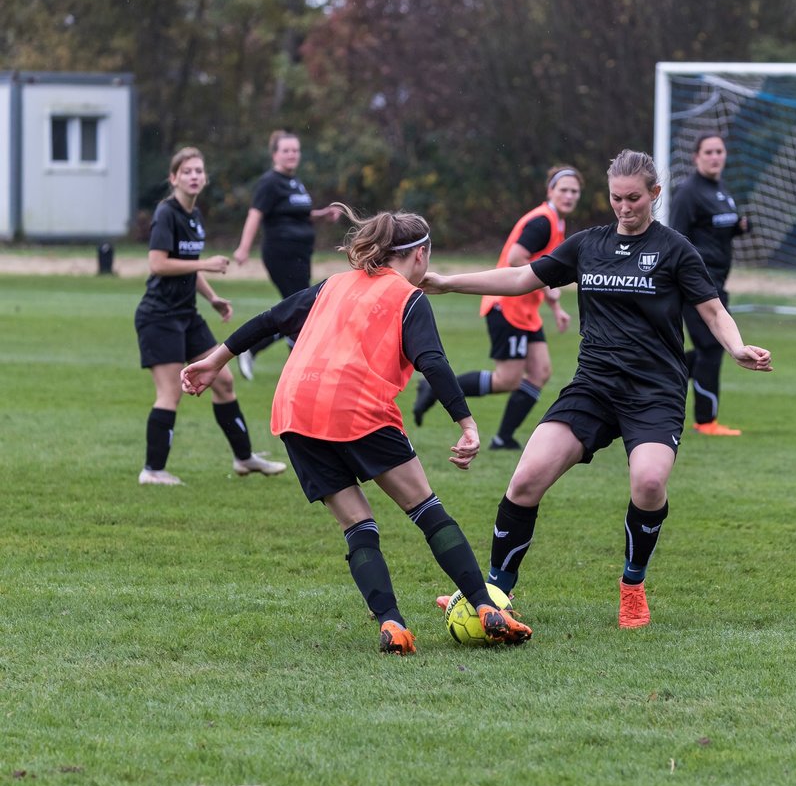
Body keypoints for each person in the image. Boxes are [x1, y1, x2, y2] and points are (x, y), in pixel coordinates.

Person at [420, 149, 772, 629]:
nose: (624, 208)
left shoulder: (674, 249)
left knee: (649, 483)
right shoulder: (589, 245)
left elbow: (712, 310)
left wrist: (736, 347)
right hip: (594, 387)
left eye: (633, 198)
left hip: (655, 391)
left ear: (655, 194)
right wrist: (445, 282)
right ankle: (495, 591)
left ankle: (632, 585)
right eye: (615, 199)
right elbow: (522, 277)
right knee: (525, 479)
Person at [180, 204, 533, 654]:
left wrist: (214, 359)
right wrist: (465, 422)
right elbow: (433, 362)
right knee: (425, 508)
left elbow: (270, 320)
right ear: (420, 255)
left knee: (357, 525)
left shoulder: (333, 284)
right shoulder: (410, 297)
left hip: (295, 409)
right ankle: (487, 608)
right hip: (357, 408)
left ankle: (393, 624)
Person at [134, 146, 287, 486]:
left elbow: (185, 267)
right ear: (173, 177)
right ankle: (153, 471)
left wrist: (213, 297)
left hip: (186, 315)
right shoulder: (167, 213)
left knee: (224, 380)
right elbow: (158, 263)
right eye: (187, 171)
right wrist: (204, 263)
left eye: (199, 171)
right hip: (159, 316)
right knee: (170, 392)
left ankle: (244, 458)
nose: (194, 176)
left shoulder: (194, 216)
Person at [412, 165, 581, 450]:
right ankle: (432, 387)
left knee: (540, 372)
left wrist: (554, 306)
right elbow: (517, 259)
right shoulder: (542, 222)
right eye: (563, 189)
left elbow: (542, 269)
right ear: (550, 191)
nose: (569, 195)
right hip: (508, 306)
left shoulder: (557, 223)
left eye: (574, 191)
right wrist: (548, 289)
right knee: (508, 379)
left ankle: (503, 438)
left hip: (526, 309)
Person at [232, 130, 341, 380]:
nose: (292, 154)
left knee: (303, 310)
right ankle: (255, 349)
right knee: (302, 309)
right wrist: (244, 247)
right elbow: (255, 214)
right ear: (274, 155)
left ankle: (293, 364)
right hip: (281, 254)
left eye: (295, 150)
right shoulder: (269, 182)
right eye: (286, 150)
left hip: (301, 254)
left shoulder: (295, 182)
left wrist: (321, 214)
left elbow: (296, 212)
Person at [669, 133, 750, 436]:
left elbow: (716, 229)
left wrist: (739, 227)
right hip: (695, 284)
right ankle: (706, 421)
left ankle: (661, 372)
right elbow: (676, 237)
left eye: (719, 151)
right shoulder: (688, 193)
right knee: (712, 348)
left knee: (709, 349)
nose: (715, 157)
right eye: (709, 152)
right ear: (696, 157)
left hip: (717, 282)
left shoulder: (721, 190)